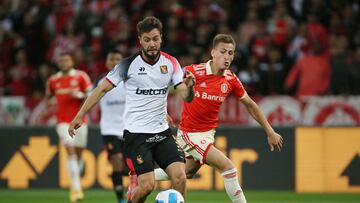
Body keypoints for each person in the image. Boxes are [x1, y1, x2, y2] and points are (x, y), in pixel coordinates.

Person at [68, 16, 195, 203]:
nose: (151, 44)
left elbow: (185, 95)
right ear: (140, 40)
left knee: (180, 177)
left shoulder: (171, 63)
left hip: (162, 133)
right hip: (137, 136)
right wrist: (80, 115)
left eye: (155, 38)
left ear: (161, 38)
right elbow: (101, 89)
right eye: (147, 39)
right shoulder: (127, 65)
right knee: (147, 186)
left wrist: (190, 87)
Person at [154, 34, 284, 203]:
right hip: (189, 134)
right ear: (213, 53)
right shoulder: (193, 71)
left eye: (231, 53)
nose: (227, 57)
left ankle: (142, 174)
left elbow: (250, 104)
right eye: (223, 52)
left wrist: (269, 131)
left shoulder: (230, 79)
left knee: (186, 172)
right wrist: (162, 111)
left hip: (208, 134)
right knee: (228, 167)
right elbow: (160, 84)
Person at [45, 53, 92, 202]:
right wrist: (48, 107)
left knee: (78, 155)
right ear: (59, 64)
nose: (64, 62)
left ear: (72, 61)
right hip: (62, 122)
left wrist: (79, 95)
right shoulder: (53, 80)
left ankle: (75, 178)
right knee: (70, 151)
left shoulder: (81, 76)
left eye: (66, 60)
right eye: (61, 60)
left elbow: (90, 95)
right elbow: (48, 96)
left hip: (80, 121)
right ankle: (76, 190)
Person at [95, 49, 127, 203]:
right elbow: (89, 97)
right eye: (112, 59)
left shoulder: (130, 81)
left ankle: (132, 192)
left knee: (131, 166)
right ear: (107, 63)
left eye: (118, 59)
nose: (115, 62)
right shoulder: (100, 83)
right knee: (117, 161)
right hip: (109, 129)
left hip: (129, 128)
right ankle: (120, 198)